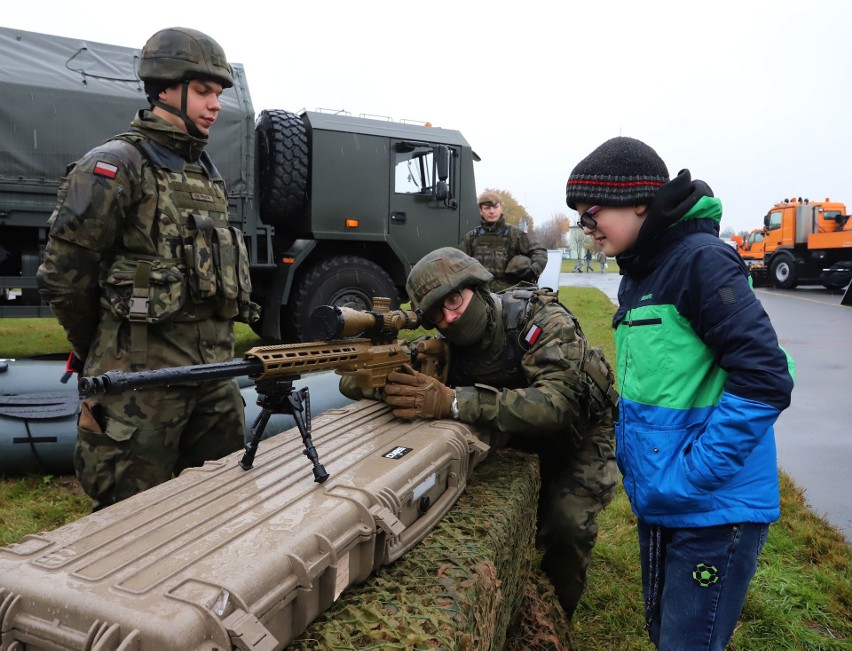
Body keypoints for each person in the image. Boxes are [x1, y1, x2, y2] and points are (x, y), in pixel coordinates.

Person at [566, 136, 795, 650]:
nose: (587, 228)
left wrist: (693, 474)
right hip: (666, 500)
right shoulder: (641, 270)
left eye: (591, 213)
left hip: (711, 509)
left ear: (639, 201)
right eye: (581, 217)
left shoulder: (701, 262)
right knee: (666, 634)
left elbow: (766, 376)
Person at [37, 27, 259, 511]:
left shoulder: (205, 175)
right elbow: (64, 277)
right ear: (164, 88)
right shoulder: (115, 167)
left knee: (219, 510)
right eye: (203, 92)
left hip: (213, 379)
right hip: (141, 387)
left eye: (218, 93)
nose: (216, 104)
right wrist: (100, 350)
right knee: (130, 521)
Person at [373, 246, 620, 621]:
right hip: (518, 434)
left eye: (455, 300)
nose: (451, 318)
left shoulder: (541, 320)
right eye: (438, 314)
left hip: (581, 434)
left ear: (478, 286)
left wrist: (454, 402)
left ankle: (553, 621)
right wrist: (373, 376)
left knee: (567, 524)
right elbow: (373, 378)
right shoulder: (445, 347)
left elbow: (558, 404)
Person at [459, 191, 548, 291]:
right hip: (480, 292)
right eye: (487, 208)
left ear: (501, 208)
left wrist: (532, 271)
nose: (492, 211)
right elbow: (458, 263)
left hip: (510, 292)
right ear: (481, 211)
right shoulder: (471, 237)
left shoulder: (515, 235)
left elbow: (540, 252)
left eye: (495, 207)